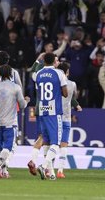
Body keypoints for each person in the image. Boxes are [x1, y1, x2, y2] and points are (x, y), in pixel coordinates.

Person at [0, 64, 29, 178]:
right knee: (9, 147)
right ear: (10, 74)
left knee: (1, 148)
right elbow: (22, 105)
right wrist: (27, 100)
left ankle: (3, 172)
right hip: (10, 123)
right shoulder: (16, 87)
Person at [33, 52, 68, 180]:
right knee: (55, 143)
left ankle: (51, 173)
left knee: (46, 142)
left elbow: (38, 91)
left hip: (42, 110)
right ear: (53, 61)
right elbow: (65, 93)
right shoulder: (59, 73)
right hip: (54, 112)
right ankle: (44, 166)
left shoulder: (39, 74)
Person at [0, 50, 23, 166]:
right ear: (8, 61)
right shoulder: (14, 73)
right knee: (11, 142)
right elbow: (19, 89)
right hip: (11, 112)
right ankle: (3, 165)